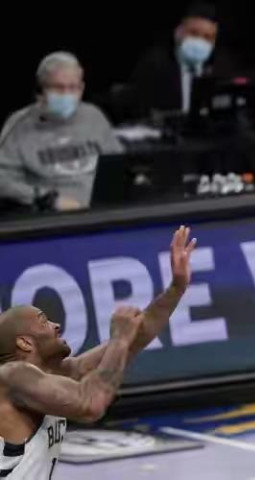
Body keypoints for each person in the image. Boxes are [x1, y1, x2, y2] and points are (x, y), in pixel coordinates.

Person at [0, 226, 196, 479]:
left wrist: (176, 289)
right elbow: (90, 405)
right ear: (25, 343)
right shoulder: (13, 376)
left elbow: (134, 338)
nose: (56, 325)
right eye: (43, 321)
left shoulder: (52, 375)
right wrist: (119, 338)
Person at [0, 52, 124, 213]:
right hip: (53, 217)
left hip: (102, 211)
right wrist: (47, 199)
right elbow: (3, 181)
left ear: (82, 88)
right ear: (40, 90)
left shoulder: (94, 116)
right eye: (58, 88)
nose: (67, 94)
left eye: (73, 88)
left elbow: (118, 166)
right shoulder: (18, 124)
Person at [109, 2, 237, 122]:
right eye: (194, 33)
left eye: (207, 37)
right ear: (178, 33)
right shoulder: (155, 64)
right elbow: (138, 111)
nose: (200, 42)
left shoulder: (222, 66)